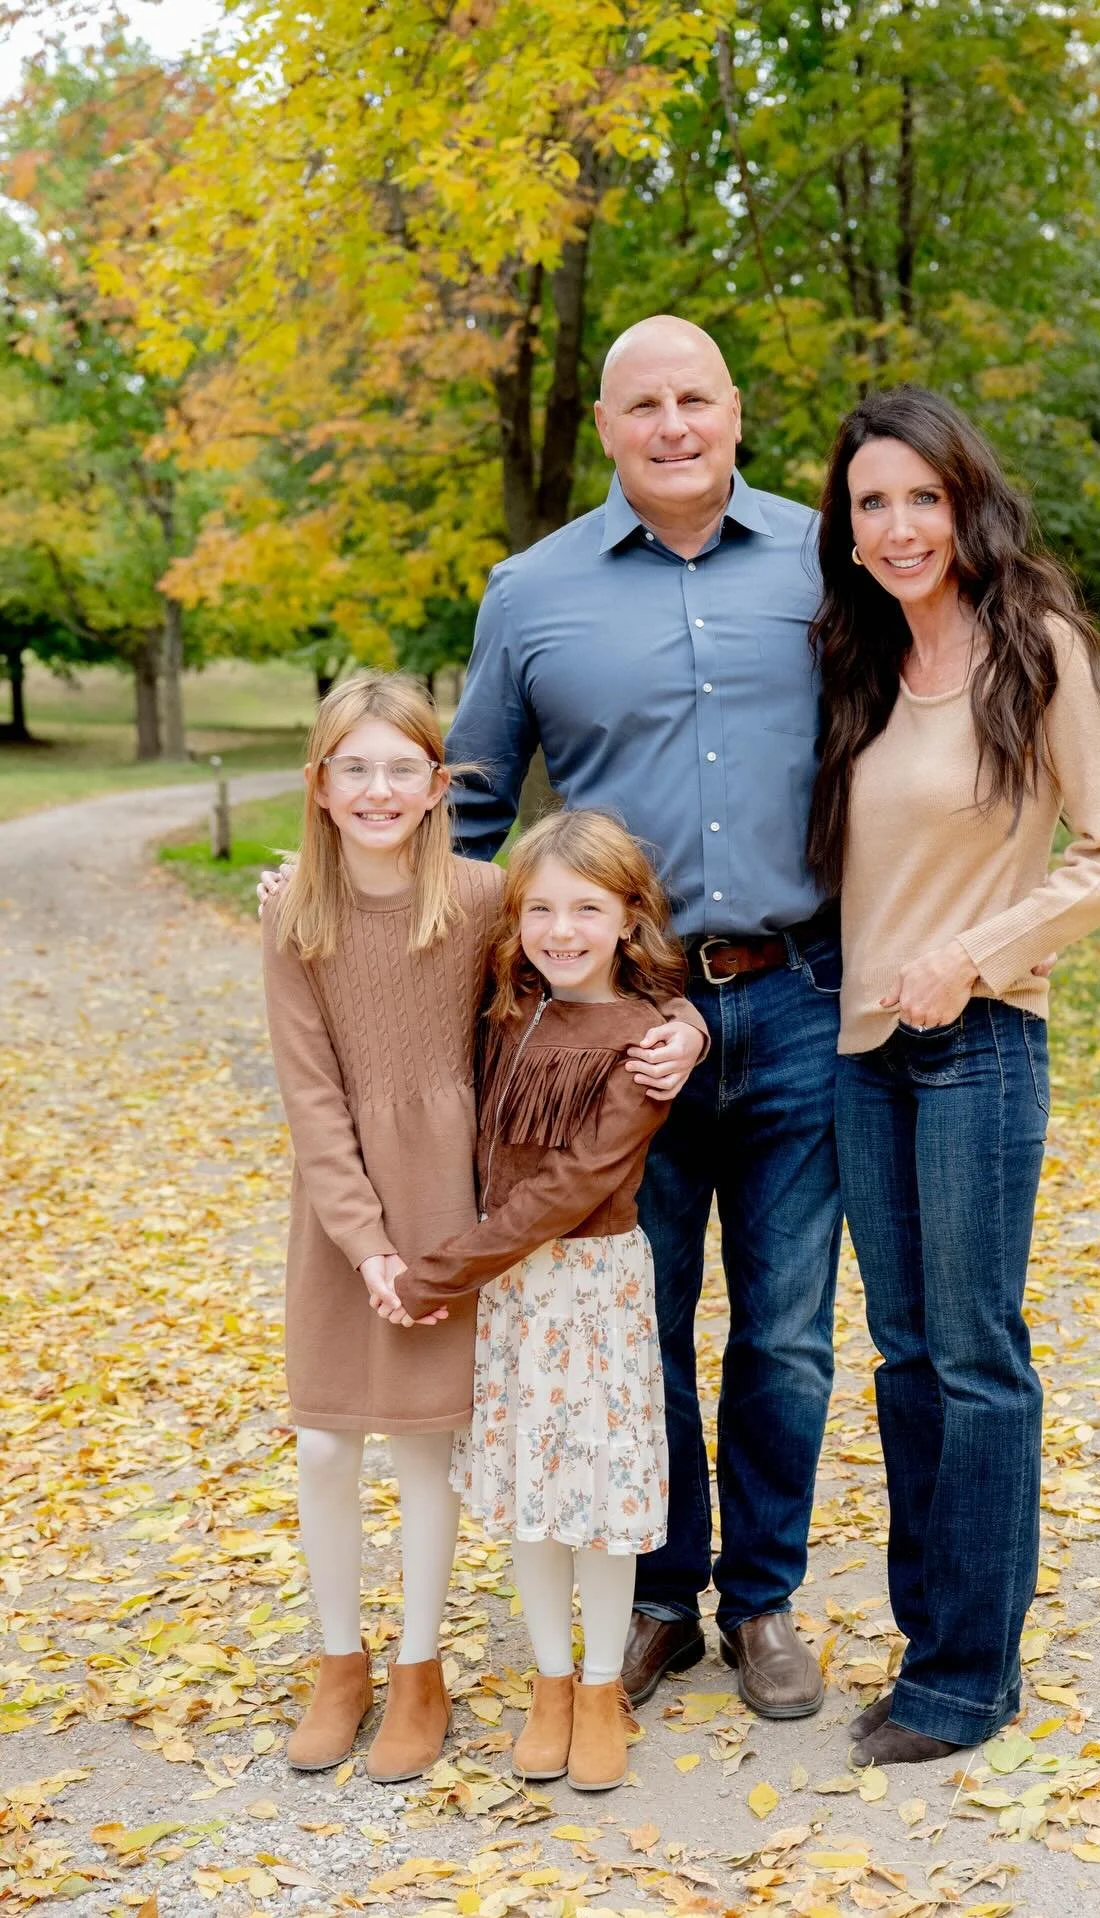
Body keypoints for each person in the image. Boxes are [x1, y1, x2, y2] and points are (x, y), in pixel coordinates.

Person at [446, 314, 841, 1718]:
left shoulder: (826, 552)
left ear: (736, 411)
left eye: (697, 399)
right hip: (617, 1022)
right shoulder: (530, 591)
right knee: (643, 1317)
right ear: (609, 426)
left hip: (801, 995)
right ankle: (663, 1590)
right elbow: (472, 824)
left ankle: (767, 1597)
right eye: (644, 405)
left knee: (788, 1326)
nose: (673, 426)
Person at [260, 675, 701, 1785]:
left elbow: (598, 950)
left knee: (426, 1449)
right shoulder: (290, 912)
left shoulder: (481, 895)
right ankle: (339, 1661)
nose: (375, 789)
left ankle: (420, 1672)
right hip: (347, 1208)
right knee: (323, 1440)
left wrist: (687, 1026)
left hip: (462, 1207)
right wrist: (365, 1245)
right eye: (351, 768)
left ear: (436, 783)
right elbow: (311, 1098)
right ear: (318, 786)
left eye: (400, 767)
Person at [807, 387, 1100, 1766]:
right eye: (870, 502)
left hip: (981, 1043)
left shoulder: (1038, 643)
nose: (897, 526)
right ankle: (928, 1644)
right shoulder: (859, 663)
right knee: (902, 1359)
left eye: (920, 497)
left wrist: (974, 951)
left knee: (974, 1357)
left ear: (965, 501)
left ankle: (970, 1672)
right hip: (860, 1052)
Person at [384, 810, 702, 1792]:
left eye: (587, 910)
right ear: (515, 918)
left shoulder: (645, 1040)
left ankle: (603, 1688)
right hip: (516, 1300)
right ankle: (552, 1684)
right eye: (541, 910)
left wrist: (441, 1270)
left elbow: (571, 1184)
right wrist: (285, 895)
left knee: (595, 1502)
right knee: (530, 1496)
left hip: (591, 1292)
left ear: (628, 919)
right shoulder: (506, 1014)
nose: (561, 930)